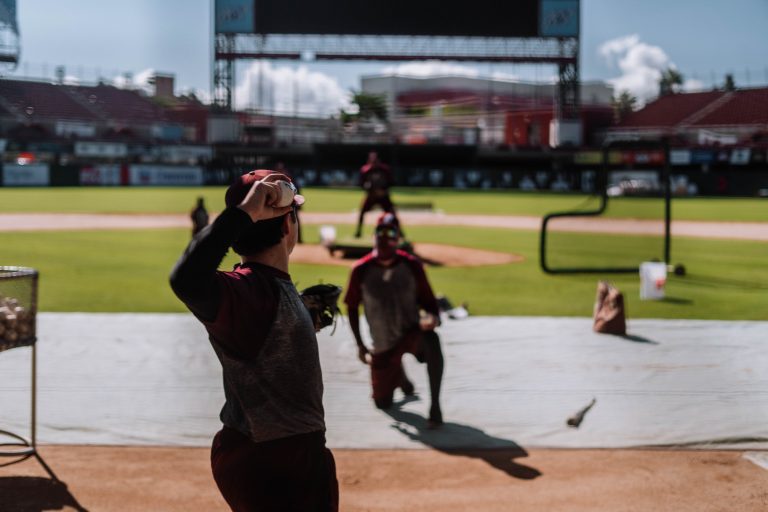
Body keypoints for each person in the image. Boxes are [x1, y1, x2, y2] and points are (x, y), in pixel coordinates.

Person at [169, 170, 338, 511]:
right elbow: (186, 280)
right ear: (289, 226)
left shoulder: (261, 291)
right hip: (280, 461)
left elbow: (264, 334)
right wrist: (246, 213)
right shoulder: (248, 292)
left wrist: (300, 320)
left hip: (265, 453)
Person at [344, 213, 444, 428]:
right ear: (374, 236)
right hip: (382, 342)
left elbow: (429, 303)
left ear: (397, 238)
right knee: (383, 402)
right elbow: (351, 306)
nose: (384, 238)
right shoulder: (361, 269)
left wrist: (432, 318)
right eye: (380, 232)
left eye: (390, 233)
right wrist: (360, 345)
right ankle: (400, 377)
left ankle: (435, 405)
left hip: (410, 332)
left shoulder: (412, 266)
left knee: (432, 340)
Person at [354, 151, 397, 238]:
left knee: (393, 214)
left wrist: (383, 190)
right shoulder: (365, 170)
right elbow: (361, 184)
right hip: (371, 196)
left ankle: (399, 233)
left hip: (383, 196)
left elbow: (391, 182)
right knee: (362, 212)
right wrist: (369, 189)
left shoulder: (385, 169)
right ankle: (358, 232)